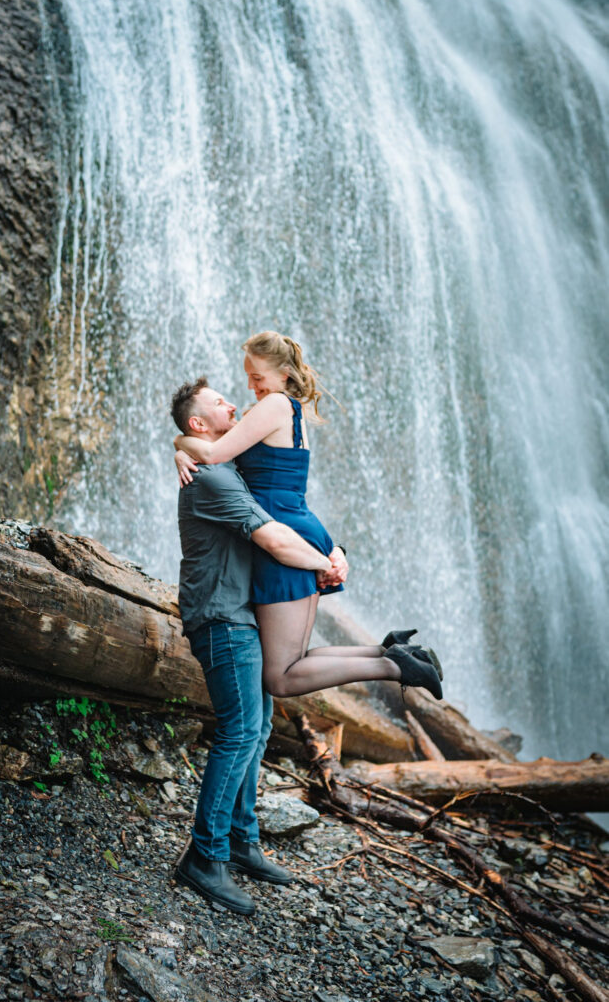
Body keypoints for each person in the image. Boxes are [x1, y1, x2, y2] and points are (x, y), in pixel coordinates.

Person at [173, 331, 443, 702]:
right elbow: (208, 439)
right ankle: (390, 651)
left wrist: (180, 445)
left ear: (283, 373)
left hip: (280, 536)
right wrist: (182, 444)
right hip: (298, 524)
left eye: (257, 377)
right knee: (294, 660)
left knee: (281, 678)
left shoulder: (274, 406)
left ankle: (396, 667)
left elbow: (214, 452)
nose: (251, 387)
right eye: (248, 376)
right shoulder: (286, 410)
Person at [170, 376, 345, 917]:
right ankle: (205, 857)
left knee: (259, 727)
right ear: (202, 424)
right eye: (221, 402)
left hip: (241, 614)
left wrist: (335, 548)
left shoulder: (226, 465)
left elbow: (284, 505)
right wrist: (326, 563)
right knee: (241, 729)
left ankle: (242, 842)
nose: (234, 403)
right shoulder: (216, 479)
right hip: (221, 619)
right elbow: (271, 537)